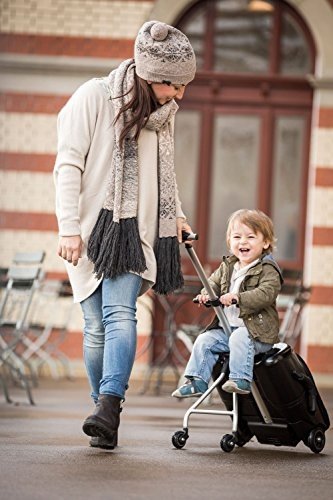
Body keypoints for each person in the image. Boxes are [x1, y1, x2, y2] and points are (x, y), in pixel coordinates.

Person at [54, 20, 196, 449]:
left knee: (120, 314)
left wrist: (179, 217)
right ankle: (103, 411)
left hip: (138, 234)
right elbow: (68, 165)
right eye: (174, 85)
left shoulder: (162, 116)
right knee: (95, 325)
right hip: (88, 230)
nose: (180, 95)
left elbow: (162, 178)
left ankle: (110, 406)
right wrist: (68, 229)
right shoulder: (93, 97)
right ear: (151, 75)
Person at [172, 209, 283, 398]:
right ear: (229, 241)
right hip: (228, 330)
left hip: (258, 335)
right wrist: (206, 294)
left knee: (239, 337)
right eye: (237, 236)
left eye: (250, 237)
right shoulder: (228, 266)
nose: (243, 242)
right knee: (205, 340)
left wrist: (237, 297)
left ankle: (240, 379)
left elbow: (266, 294)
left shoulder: (268, 270)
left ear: (265, 243)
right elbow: (212, 282)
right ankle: (197, 381)